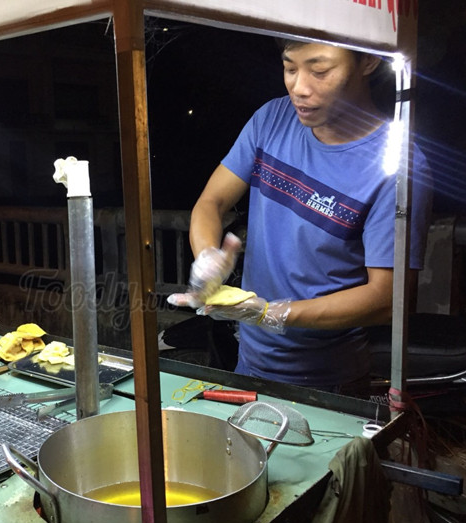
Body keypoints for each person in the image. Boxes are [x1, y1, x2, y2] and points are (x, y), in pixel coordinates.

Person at [168, 39, 433, 394]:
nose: (299, 88)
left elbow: (386, 300)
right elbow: (212, 202)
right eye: (290, 68)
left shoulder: (397, 167)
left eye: (320, 70)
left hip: (329, 381)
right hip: (249, 361)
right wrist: (207, 258)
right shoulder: (272, 119)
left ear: (368, 61)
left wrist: (273, 313)